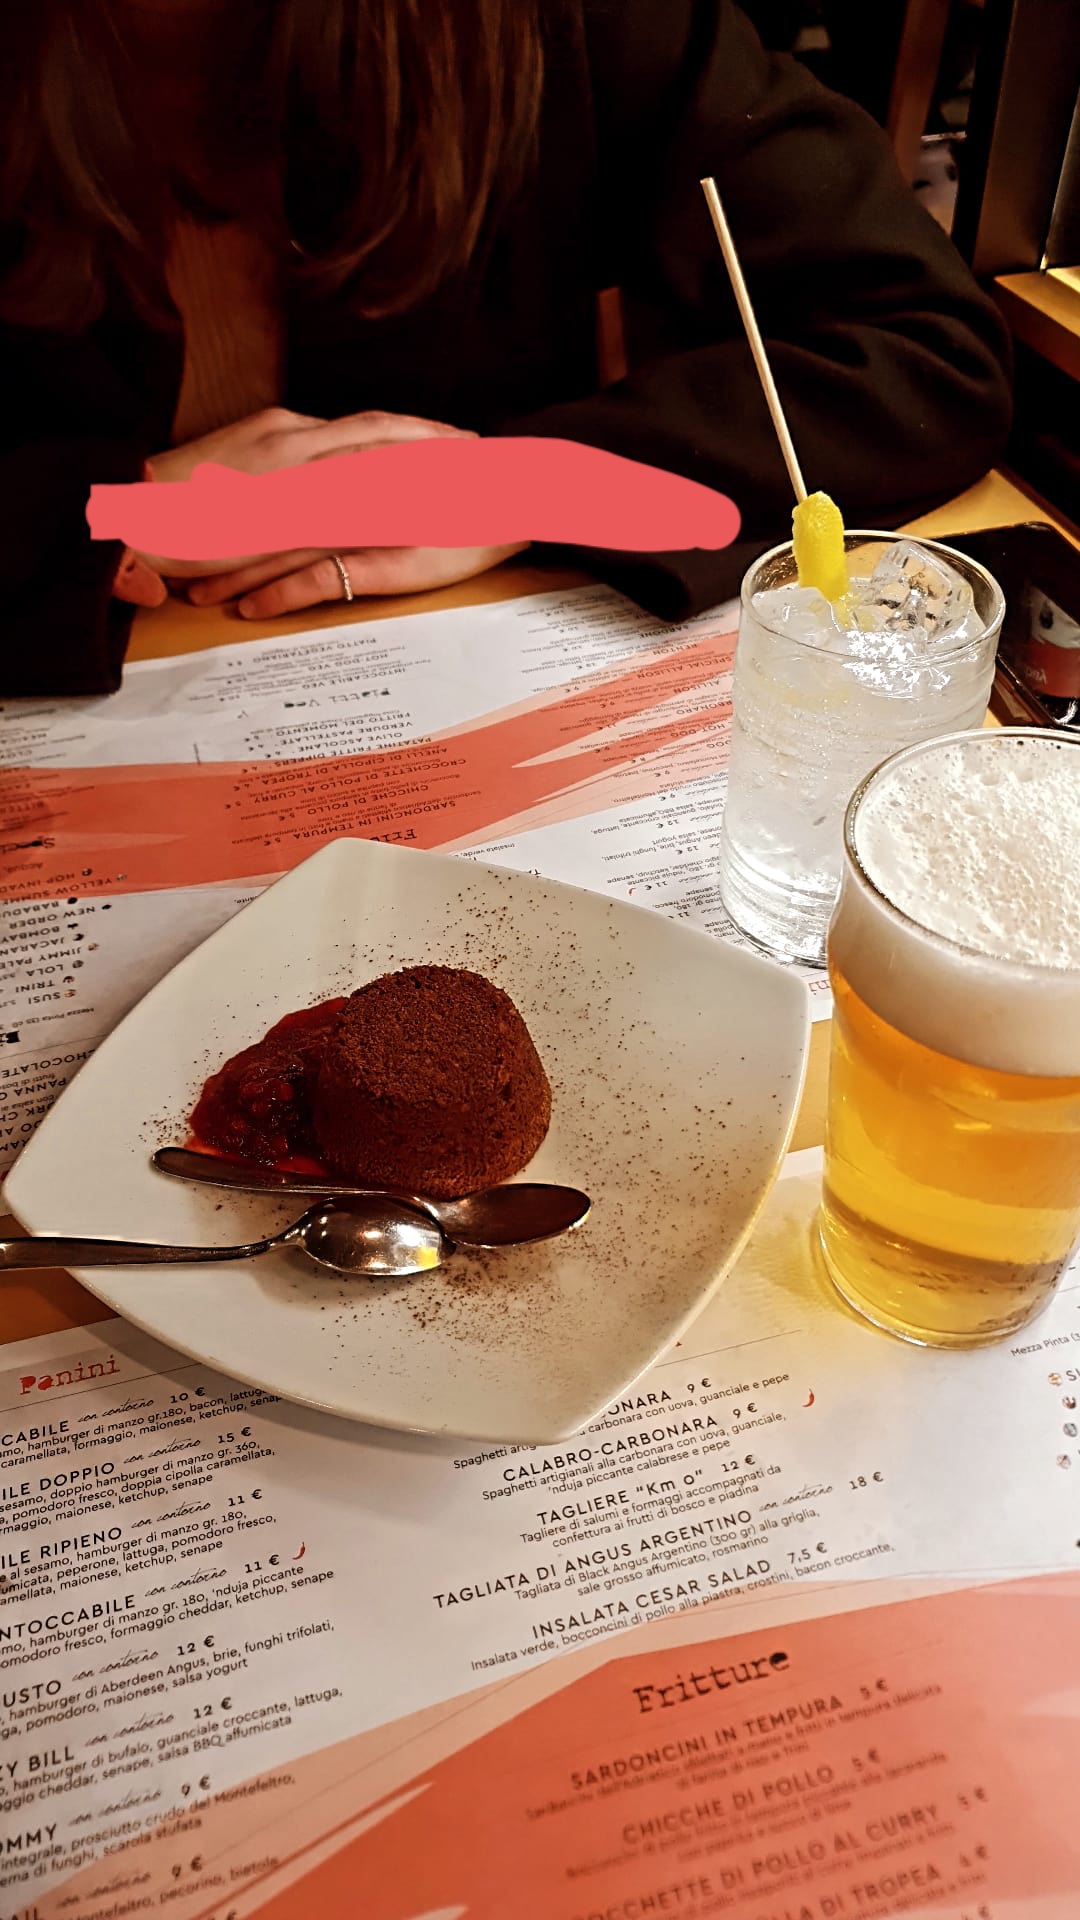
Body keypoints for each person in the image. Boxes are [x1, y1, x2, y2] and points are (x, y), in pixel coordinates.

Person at [0, 0, 1012, 698]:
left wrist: (526, 480)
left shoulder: (558, 25)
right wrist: (73, 520)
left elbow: (930, 352)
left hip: (465, 703)